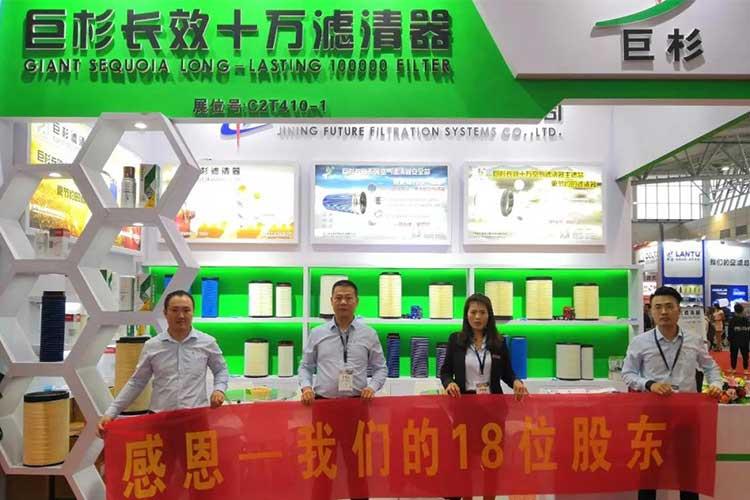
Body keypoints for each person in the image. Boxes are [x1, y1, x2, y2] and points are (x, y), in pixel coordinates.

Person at [622, 286, 722, 500]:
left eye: (669, 306)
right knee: (649, 472)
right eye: (658, 307)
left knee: (688, 472)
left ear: (679, 310)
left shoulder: (694, 340)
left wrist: (716, 384)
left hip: (687, 415)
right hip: (653, 415)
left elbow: (711, 367)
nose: (664, 312)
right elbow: (628, 374)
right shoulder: (640, 342)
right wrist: (649, 384)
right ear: (651, 311)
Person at [299, 279, 386, 500]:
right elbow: (305, 366)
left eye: (348, 298)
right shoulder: (317, 333)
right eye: (338, 298)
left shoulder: (369, 334)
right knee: (322, 465)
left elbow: (380, 368)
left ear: (357, 301)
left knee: (358, 466)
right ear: (331, 301)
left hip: (356, 407)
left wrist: (372, 387)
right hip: (324, 407)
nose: (343, 302)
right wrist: (306, 387)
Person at [98, 290, 229, 437]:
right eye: (175, 310)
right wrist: (111, 413)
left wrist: (219, 390)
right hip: (160, 420)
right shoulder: (152, 346)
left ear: (193, 313)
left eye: (186, 310)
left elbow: (221, 370)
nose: (181, 315)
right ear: (165, 313)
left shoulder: (207, 342)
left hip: (196, 419)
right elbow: (137, 382)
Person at [440, 293, 528, 500]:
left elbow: (507, 373)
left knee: (492, 463)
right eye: (473, 312)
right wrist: (449, 383)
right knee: (464, 462)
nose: (477, 317)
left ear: (489, 315)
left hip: (493, 411)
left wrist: (516, 381)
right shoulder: (456, 340)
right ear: (466, 315)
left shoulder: (499, 342)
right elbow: (445, 371)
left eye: (482, 312)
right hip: (464, 411)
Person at [728, 303, 750, 377]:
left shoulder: (732, 320)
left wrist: (729, 339)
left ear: (735, 310)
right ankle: (745, 369)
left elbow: (730, 331)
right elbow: (748, 330)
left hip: (734, 340)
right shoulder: (746, 320)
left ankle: (733, 369)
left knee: (733, 354)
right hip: (745, 340)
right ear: (742, 310)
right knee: (745, 355)